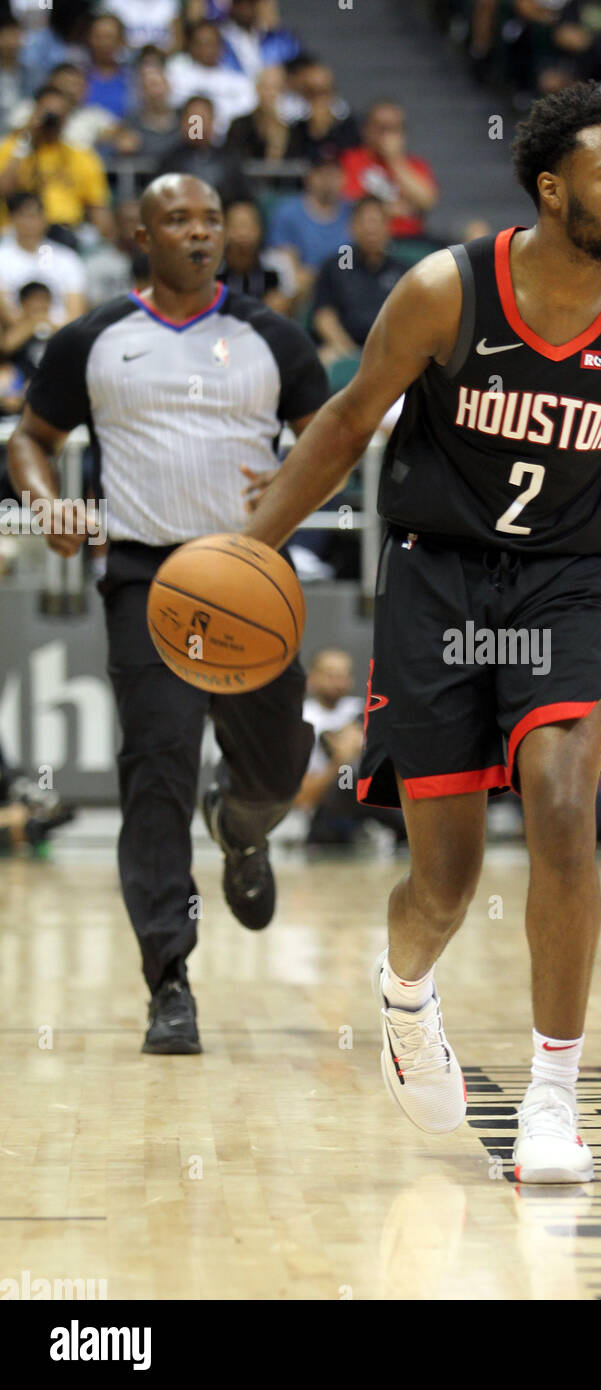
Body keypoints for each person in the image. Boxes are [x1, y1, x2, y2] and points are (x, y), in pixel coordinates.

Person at [239, 82, 601, 1183]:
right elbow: (349, 421)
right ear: (552, 189)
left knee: (562, 805)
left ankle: (553, 1100)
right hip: (436, 581)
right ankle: (404, 995)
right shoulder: (444, 291)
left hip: (562, 582)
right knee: (444, 884)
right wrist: (251, 546)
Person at [7, 173, 330, 1056]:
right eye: (178, 219)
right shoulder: (94, 338)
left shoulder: (272, 337)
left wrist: (296, 479)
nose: (199, 232)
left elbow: (331, 437)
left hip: (250, 573)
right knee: (156, 771)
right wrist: (46, 503)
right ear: (141, 236)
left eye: (211, 219)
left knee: (275, 769)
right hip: (147, 578)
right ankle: (169, 980)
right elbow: (30, 439)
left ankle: (242, 830)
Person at [295, 648, 406, 847]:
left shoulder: (362, 711)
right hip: (327, 812)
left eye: (343, 675)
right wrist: (340, 761)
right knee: (349, 778)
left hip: (372, 805)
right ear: (312, 678)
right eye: (330, 675)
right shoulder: (302, 720)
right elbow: (302, 798)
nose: (337, 682)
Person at [0, 85, 112, 242]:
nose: (52, 120)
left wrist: (103, 242)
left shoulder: (82, 156)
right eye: (47, 113)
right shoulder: (13, 149)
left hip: (66, 234)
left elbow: (98, 207)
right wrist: (27, 138)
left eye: (59, 114)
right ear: (35, 112)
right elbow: (4, 189)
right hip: (18, 235)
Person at [309, 196, 405, 366]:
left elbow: (411, 320)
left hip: (390, 351)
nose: (370, 229)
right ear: (351, 227)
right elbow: (323, 316)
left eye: (376, 222)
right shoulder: (335, 266)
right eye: (364, 222)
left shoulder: (402, 271)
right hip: (342, 349)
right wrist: (349, 351)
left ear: (388, 228)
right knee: (322, 359)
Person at [339, 101, 438, 241]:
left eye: (393, 128)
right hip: (365, 241)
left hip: (409, 239)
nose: (386, 135)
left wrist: (394, 160)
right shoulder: (351, 160)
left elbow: (427, 201)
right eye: (381, 127)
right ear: (366, 130)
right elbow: (351, 202)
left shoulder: (416, 164)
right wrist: (395, 209)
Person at [0, 191, 87, 324]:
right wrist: (33, 325)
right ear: (12, 219)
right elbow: (7, 313)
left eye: (33, 216)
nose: (29, 223)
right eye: (23, 216)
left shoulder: (67, 258)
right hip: (18, 332)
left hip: (60, 331)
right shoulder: (2, 257)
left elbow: (76, 312)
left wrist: (49, 325)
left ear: (44, 218)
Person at [266, 153, 352, 286]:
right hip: (301, 285)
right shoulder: (288, 213)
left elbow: (351, 263)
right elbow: (285, 260)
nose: (327, 180)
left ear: (343, 178)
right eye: (321, 174)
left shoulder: (353, 213)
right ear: (308, 177)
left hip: (344, 285)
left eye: (333, 174)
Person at [156, 95, 253, 208]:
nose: (198, 127)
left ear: (212, 121)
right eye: (194, 120)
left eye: (203, 119)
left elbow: (243, 196)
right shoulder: (170, 160)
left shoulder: (229, 158)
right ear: (183, 123)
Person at [165, 19, 256, 138]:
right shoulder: (177, 75)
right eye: (200, 43)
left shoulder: (238, 82)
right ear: (191, 46)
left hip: (229, 138)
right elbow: (174, 104)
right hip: (191, 137)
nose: (206, 49)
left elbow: (247, 108)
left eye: (211, 44)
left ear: (221, 47)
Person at [219, 199, 292, 314]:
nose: (242, 234)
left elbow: (287, 301)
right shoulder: (213, 268)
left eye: (248, 226)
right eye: (235, 226)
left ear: (260, 229)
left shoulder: (277, 265)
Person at [287, 61, 360, 165]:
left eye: (323, 92)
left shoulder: (348, 125)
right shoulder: (294, 127)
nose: (319, 99)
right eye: (312, 92)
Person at [225, 64, 303, 161]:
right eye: (266, 87)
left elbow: (293, 163)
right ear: (257, 88)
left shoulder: (292, 132)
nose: (271, 93)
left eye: (276, 88)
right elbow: (233, 160)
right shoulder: (239, 126)